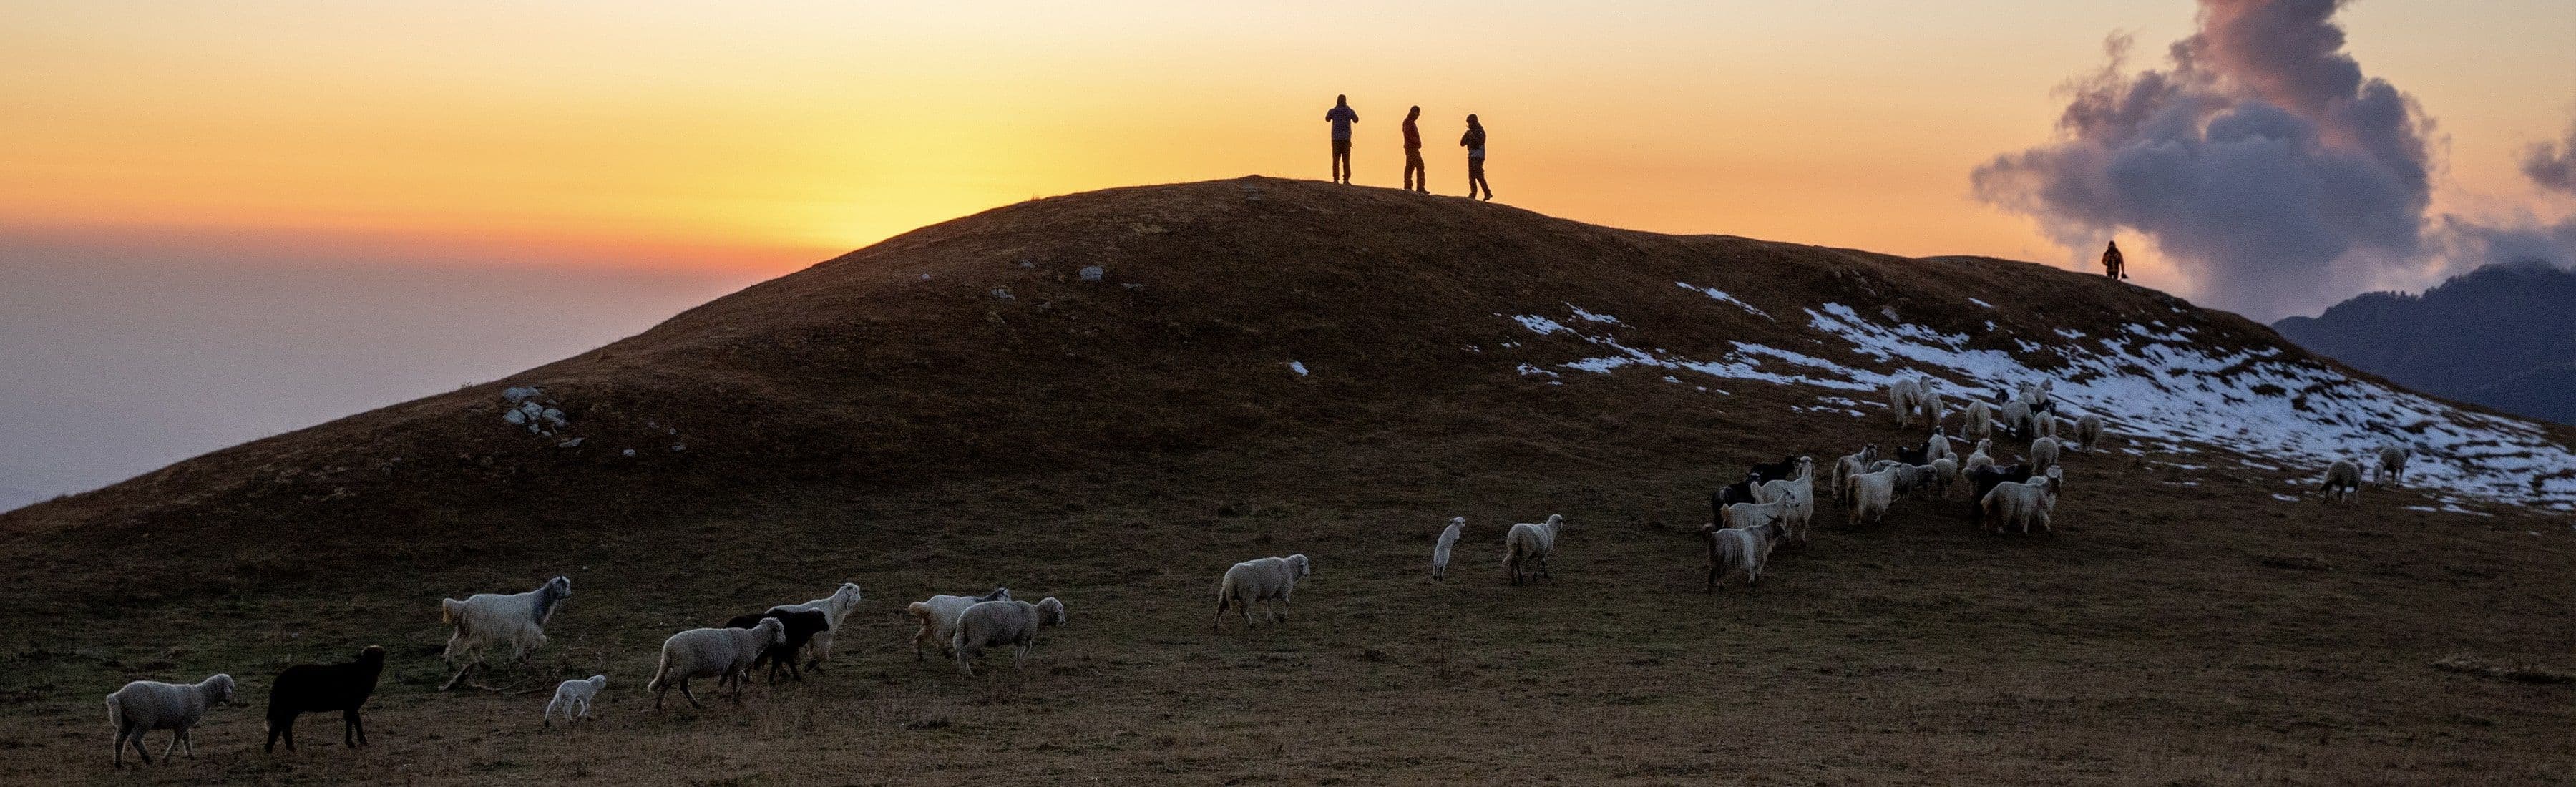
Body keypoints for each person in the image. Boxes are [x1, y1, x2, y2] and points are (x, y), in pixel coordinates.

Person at [1324, 95, 1360, 184]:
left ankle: (1336, 179)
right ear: (1345, 101)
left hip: (1336, 139)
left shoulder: (1333, 111)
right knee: (1346, 160)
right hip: (1346, 139)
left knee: (1336, 160)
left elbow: (1327, 119)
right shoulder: (1349, 111)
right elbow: (1356, 120)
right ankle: (1346, 179)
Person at [1460, 114, 1492, 200]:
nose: (1469, 125)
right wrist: (1466, 136)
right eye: (1468, 123)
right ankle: (1473, 193)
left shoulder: (1480, 132)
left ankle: (1487, 193)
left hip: (1479, 156)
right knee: (1471, 176)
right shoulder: (1469, 132)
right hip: (1471, 156)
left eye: (1470, 123)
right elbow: (1462, 143)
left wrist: (1473, 137)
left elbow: (1480, 142)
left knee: (1479, 175)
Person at [1401, 106, 1428, 193]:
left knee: (1410, 167)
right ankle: (1420, 187)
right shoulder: (1408, 122)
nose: (1417, 116)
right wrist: (1416, 142)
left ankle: (1408, 187)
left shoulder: (1410, 122)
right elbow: (1407, 134)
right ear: (1414, 113)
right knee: (1420, 165)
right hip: (1411, 148)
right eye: (1417, 114)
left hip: (1411, 147)